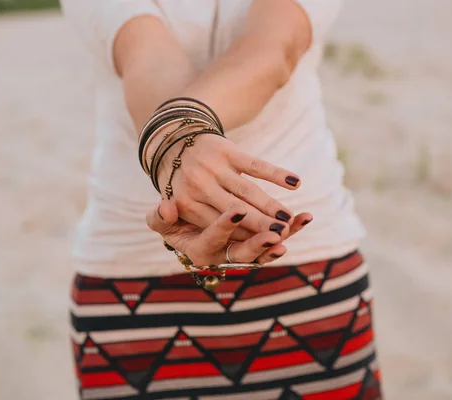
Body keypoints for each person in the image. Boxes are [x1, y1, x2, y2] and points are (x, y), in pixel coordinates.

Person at [62, 0, 383, 398]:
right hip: (130, 295)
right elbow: (144, 53)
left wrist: (177, 139)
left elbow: (274, 45)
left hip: (307, 273)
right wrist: (181, 141)